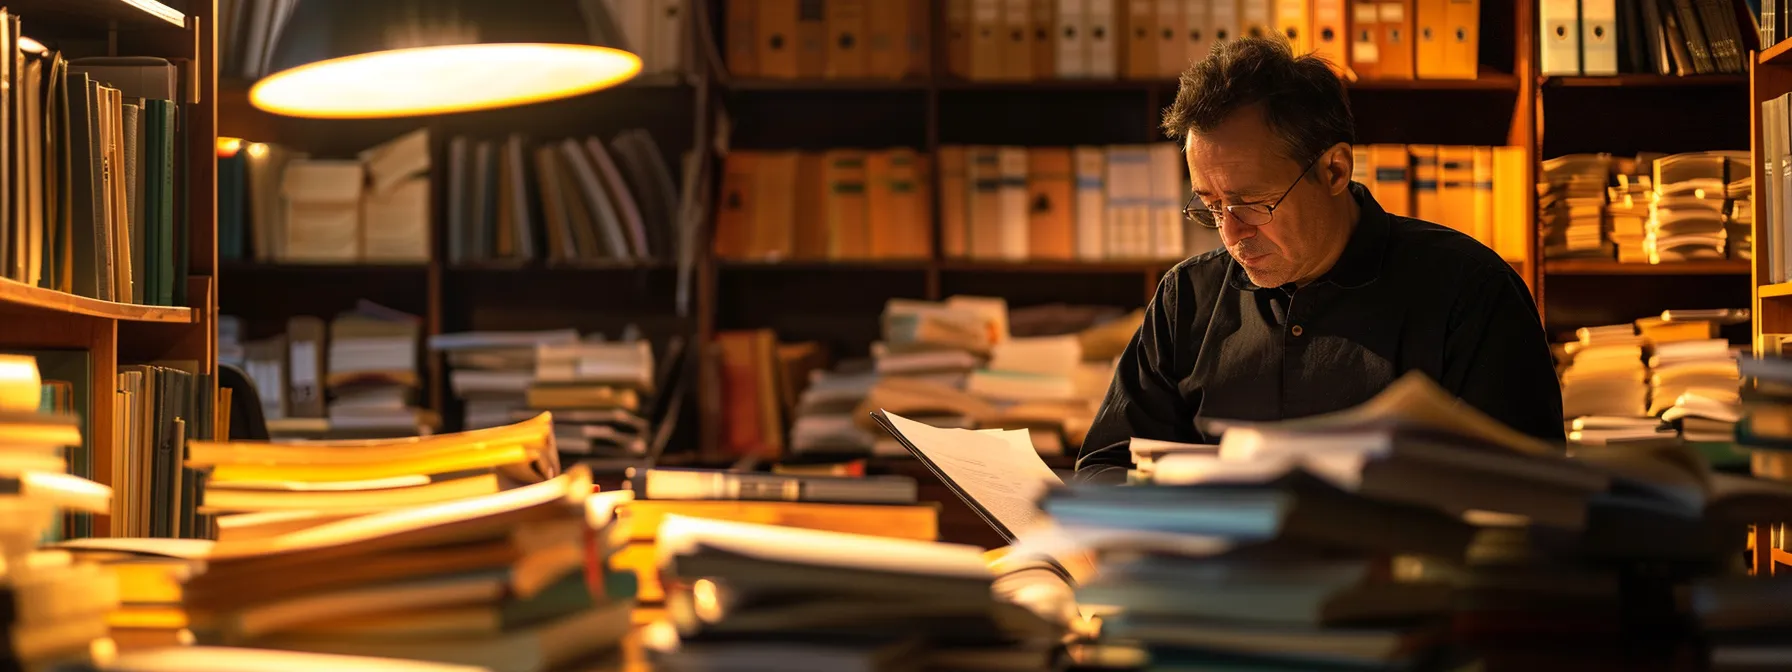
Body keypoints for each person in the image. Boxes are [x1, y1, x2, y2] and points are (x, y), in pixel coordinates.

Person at [1075, 36, 1564, 484]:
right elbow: (1106, 464)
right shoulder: (1187, 298)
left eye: (1252, 202)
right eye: (1210, 205)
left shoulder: (1471, 293)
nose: (1231, 232)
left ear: (1334, 169)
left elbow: (1530, 492)